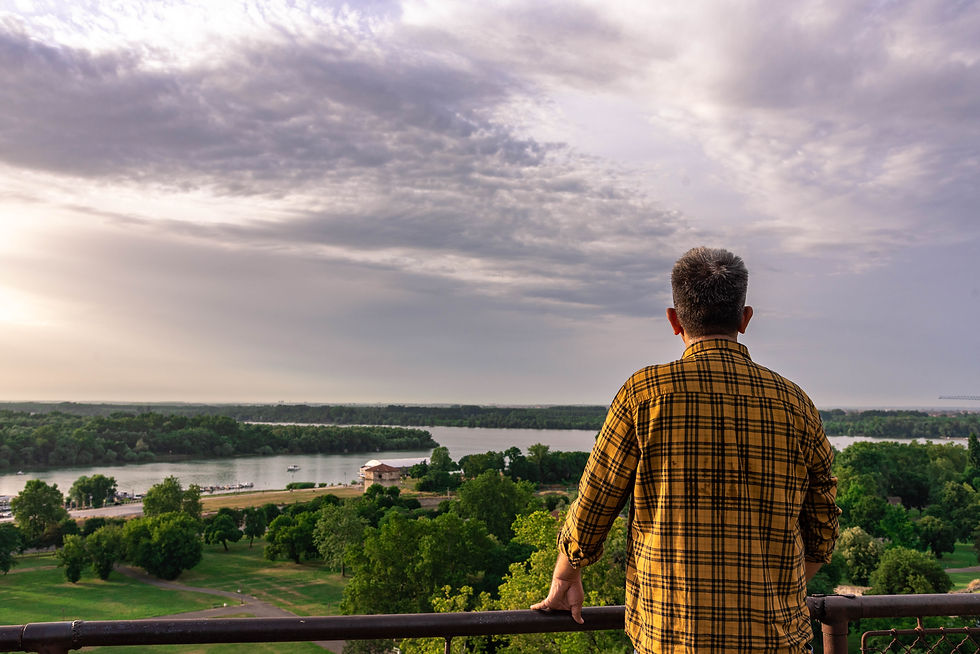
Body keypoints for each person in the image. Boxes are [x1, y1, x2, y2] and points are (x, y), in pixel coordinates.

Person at [532, 247, 839, 653]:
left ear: (674, 320)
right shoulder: (794, 402)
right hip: (776, 640)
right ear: (745, 319)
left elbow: (595, 503)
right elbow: (822, 529)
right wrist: (771, 592)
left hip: (669, 639)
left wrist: (566, 575)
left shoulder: (643, 394)